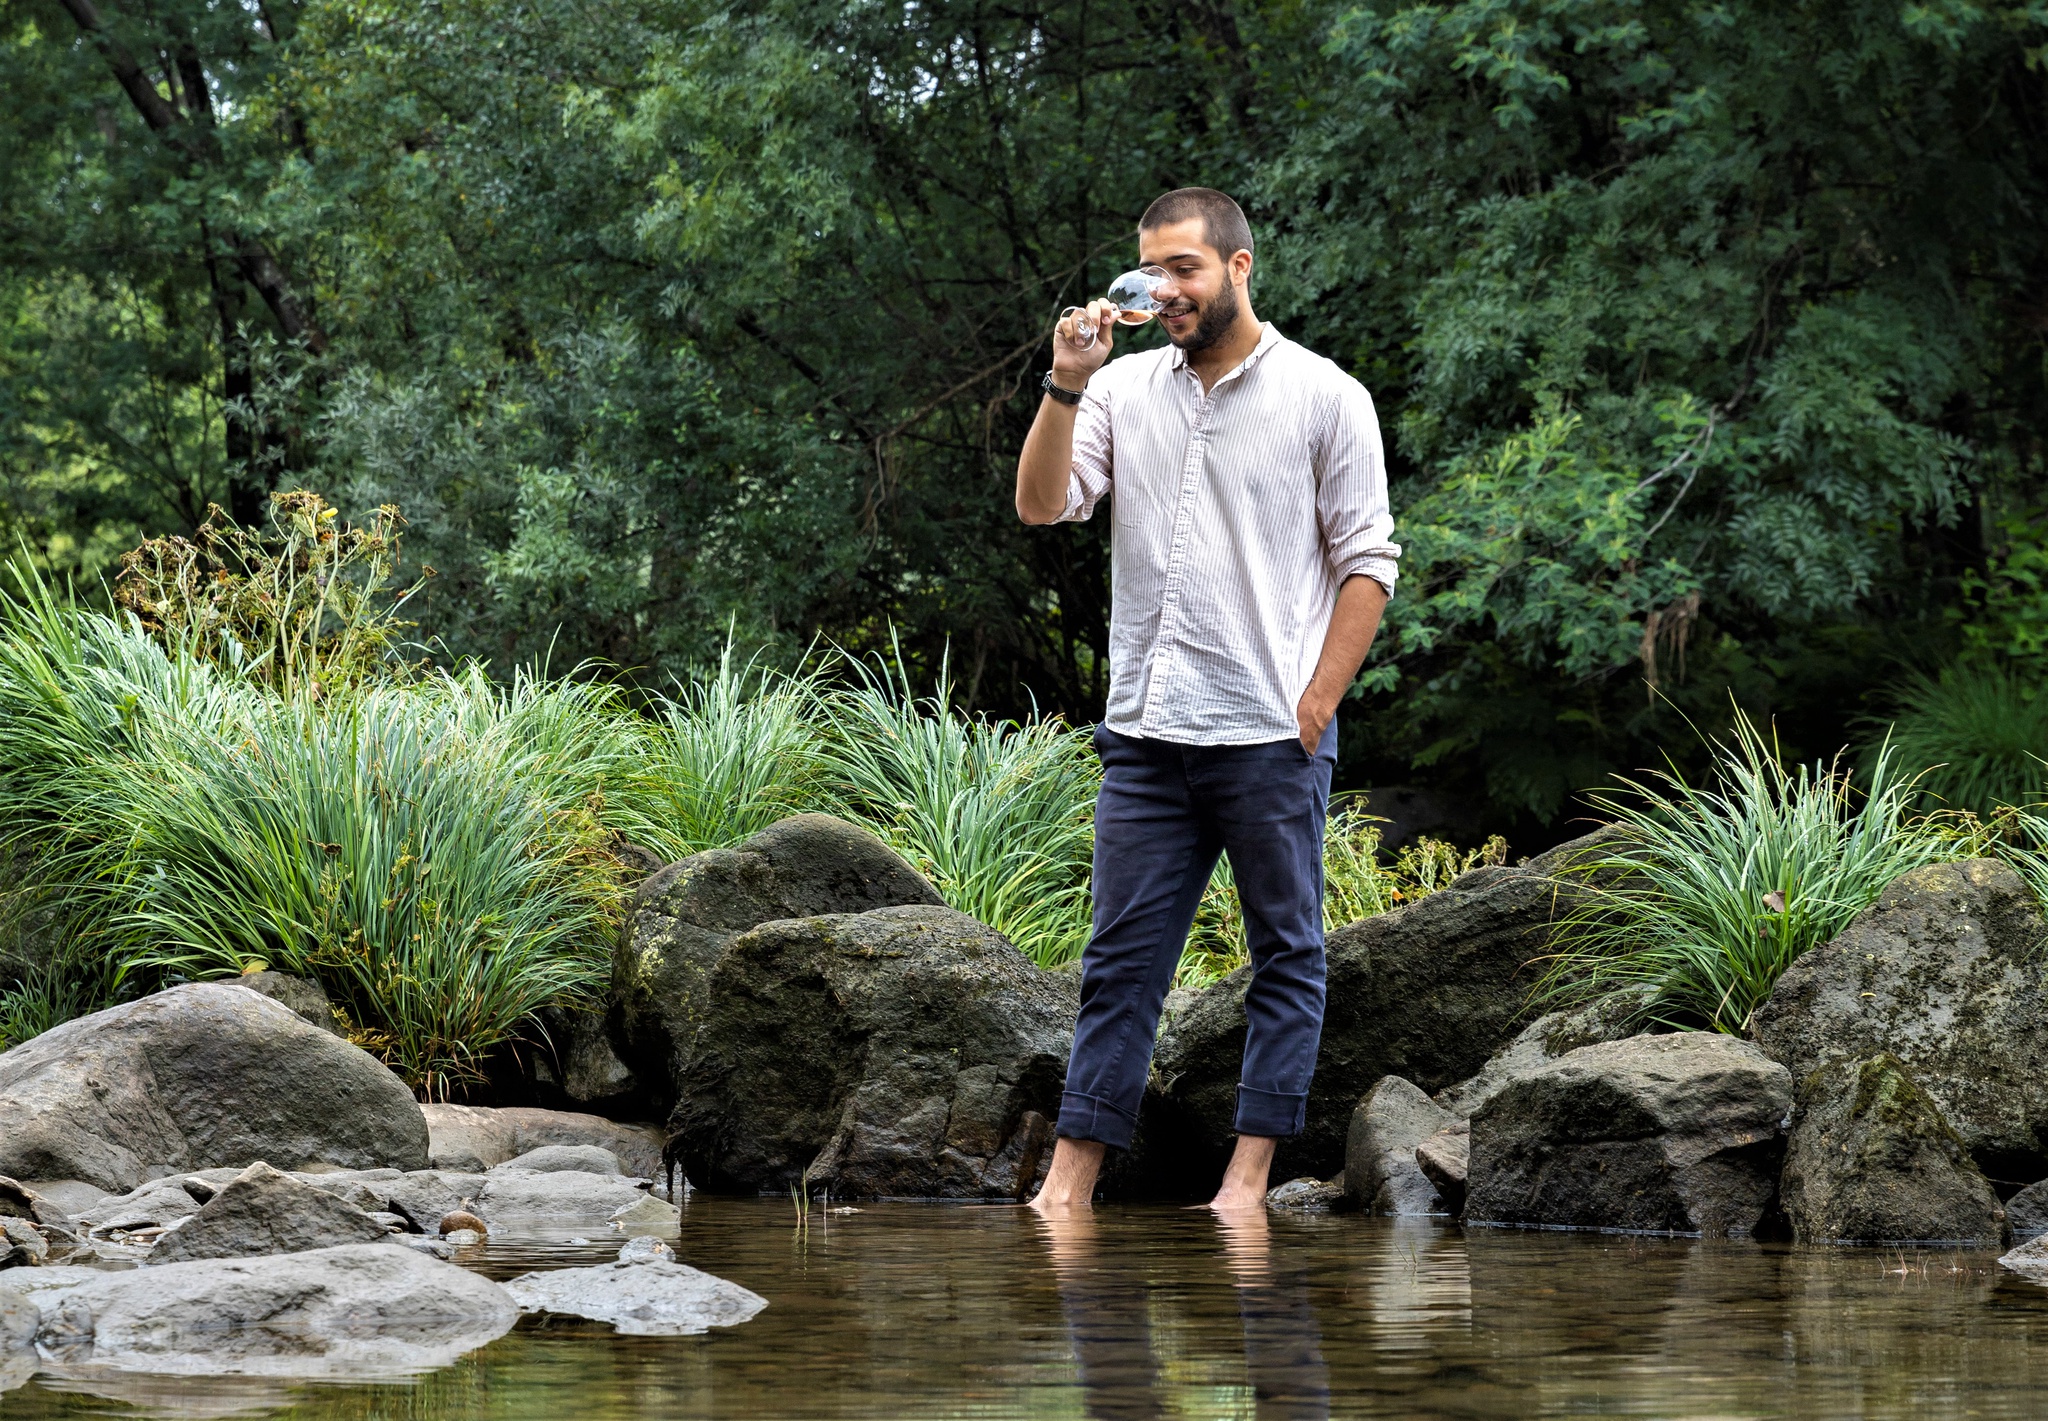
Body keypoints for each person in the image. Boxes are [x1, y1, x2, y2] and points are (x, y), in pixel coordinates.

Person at [1015, 187, 1399, 1212]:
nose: (1163, 290)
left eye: (1184, 268)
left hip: (1269, 733)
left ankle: (1243, 1185)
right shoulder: (1118, 390)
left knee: (1287, 951)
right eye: (1149, 272)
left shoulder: (1326, 396)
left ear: (1237, 268)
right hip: (1145, 732)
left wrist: (1314, 703)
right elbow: (1041, 504)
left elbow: (1367, 565)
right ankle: (1065, 1189)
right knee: (1117, 967)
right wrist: (1063, 384)